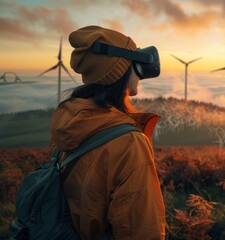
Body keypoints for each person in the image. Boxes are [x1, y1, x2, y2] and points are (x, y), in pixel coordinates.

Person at [48, 25, 166, 239]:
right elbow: (141, 230)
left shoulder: (71, 123)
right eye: (134, 59)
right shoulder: (128, 143)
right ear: (119, 69)